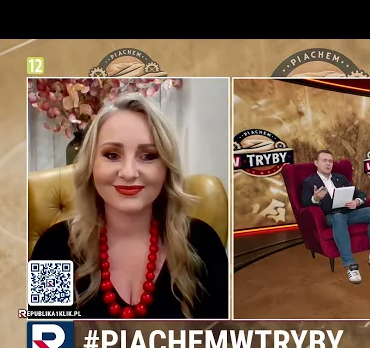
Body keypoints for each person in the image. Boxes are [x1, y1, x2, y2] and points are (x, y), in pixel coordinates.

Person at [30, 93, 229, 319]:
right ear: (91, 165)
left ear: (166, 168)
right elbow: (45, 340)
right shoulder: (53, 248)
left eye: (148, 156)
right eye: (112, 155)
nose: (128, 172)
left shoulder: (203, 244)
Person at [301, 150, 370, 284]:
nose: (328, 164)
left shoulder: (340, 178)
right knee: (338, 217)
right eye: (324, 160)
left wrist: (357, 202)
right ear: (316, 163)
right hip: (331, 216)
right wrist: (315, 198)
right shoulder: (309, 182)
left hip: (349, 213)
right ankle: (350, 265)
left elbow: (360, 193)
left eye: (330, 161)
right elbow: (304, 203)